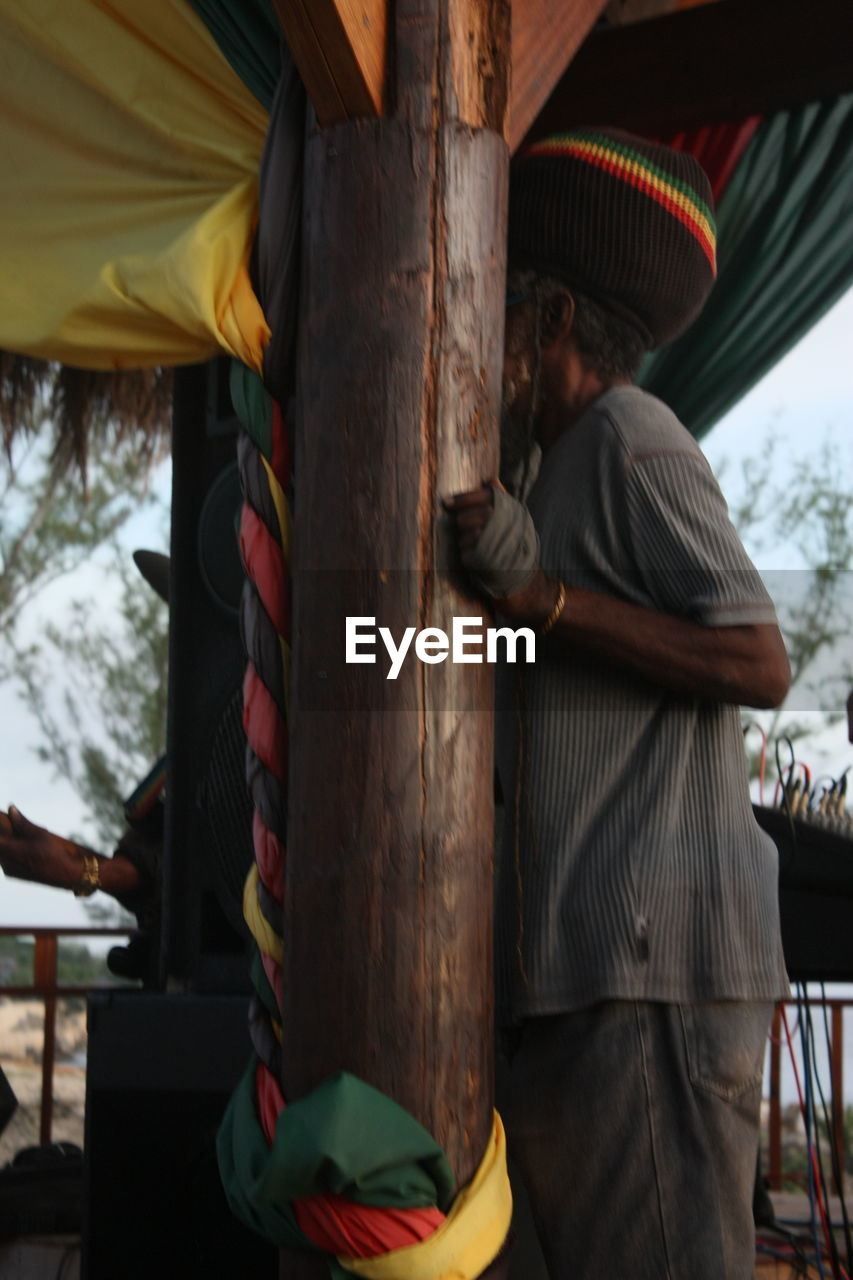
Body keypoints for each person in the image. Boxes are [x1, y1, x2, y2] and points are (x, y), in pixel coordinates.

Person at [445, 128, 791, 1279]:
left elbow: (756, 657)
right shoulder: (554, 469)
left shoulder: (634, 439)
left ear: (547, 329)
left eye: (502, 317)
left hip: (649, 977)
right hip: (580, 977)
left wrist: (545, 596)